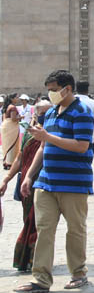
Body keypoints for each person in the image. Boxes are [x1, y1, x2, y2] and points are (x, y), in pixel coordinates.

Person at [13, 70, 94, 293]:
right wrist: (29, 175)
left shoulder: (83, 113)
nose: (51, 94)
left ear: (67, 88)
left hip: (73, 183)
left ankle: (78, 273)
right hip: (46, 182)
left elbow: (81, 146)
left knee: (75, 230)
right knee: (44, 230)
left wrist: (48, 138)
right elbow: (42, 148)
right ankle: (41, 279)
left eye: (53, 89)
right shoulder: (49, 114)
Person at [1, 99, 48, 271]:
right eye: (41, 113)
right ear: (35, 115)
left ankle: (37, 259)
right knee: (28, 220)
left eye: (47, 113)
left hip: (46, 184)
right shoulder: (29, 135)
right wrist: (6, 179)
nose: (44, 117)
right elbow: (20, 158)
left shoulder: (55, 134)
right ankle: (28, 258)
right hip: (27, 185)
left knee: (42, 223)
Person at [2, 92, 21, 169]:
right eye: (16, 97)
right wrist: (21, 117)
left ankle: (7, 162)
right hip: (11, 127)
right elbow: (13, 119)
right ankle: (10, 163)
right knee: (12, 145)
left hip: (7, 126)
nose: (18, 99)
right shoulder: (12, 107)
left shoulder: (7, 106)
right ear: (12, 99)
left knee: (8, 144)